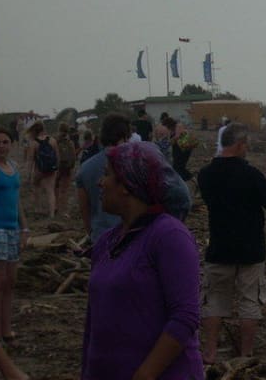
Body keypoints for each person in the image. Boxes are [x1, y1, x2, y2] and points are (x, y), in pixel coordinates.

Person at [81, 141, 203, 379]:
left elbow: (185, 317)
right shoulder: (107, 241)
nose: (100, 182)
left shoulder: (169, 236)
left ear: (126, 185)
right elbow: (93, 320)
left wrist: (144, 375)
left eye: (107, 174)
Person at [197, 123, 266, 363]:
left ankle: (210, 352)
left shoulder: (205, 174)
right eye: (245, 144)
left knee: (214, 300)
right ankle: (246, 354)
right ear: (238, 145)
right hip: (250, 249)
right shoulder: (251, 174)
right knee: (249, 301)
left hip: (219, 247)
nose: (247, 148)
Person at [76, 114, 192, 246]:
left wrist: (92, 233)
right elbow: (180, 196)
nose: (101, 182)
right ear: (126, 136)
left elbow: (85, 209)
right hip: (137, 238)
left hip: (101, 238)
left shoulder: (85, 169)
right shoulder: (138, 163)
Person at [0, 128, 29, 346]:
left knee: (10, 281)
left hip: (13, 229)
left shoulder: (13, 167)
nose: (1, 146)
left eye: (5, 142)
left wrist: (25, 228)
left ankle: (6, 328)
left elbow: (17, 201)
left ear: (11, 144)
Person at [25, 122, 57, 219]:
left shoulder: (34, 143)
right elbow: (57, 155)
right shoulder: (52, 140)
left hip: (39, 170)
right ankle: (51, 213)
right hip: (51, 169)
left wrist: (28, 175)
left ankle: (37, 209)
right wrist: (56, 168)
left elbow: (30, 160)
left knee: (36, 188)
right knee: (50, 191)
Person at [54, 123, 77, 217]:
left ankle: (55, 207)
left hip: (56, 167)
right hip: (67, 167)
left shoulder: (54, 141)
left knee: (55, 188)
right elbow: (74, 156)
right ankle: (64, 211)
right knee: (65, 190)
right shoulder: (70, 142)